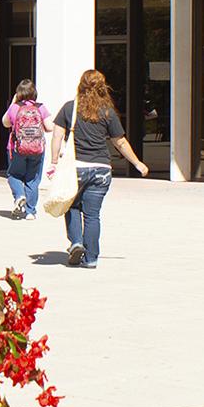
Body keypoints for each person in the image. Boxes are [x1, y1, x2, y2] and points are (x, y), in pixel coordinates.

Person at [50, 69, 150, 269]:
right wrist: (138, 163)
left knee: (71, 205)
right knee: (92, 214)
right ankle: (91, 258)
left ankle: (76, 242)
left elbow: (57, 136)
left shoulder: (70, 108)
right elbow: (120, 142)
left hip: (76, 168)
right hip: (102, 169)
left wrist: (54, 161)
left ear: (81, 86)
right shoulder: (107, 112)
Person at [1, 80, 50, 219]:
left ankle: (19, 195)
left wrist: (12, 103)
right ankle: (30, 212)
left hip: (17, 148)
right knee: (33, 179)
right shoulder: (40, 107)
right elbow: (50, 127)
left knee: (13, 175)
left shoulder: (15, 108)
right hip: (37, 149)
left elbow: (5, 123)